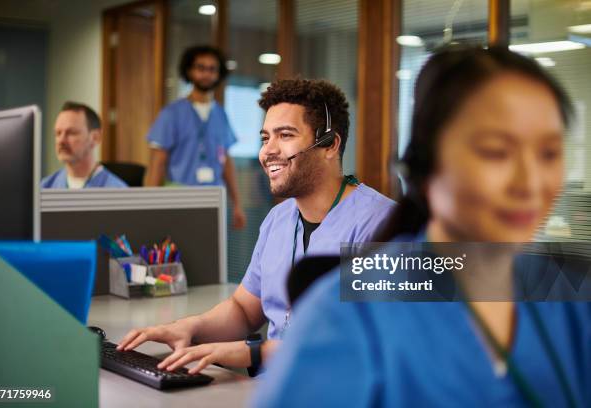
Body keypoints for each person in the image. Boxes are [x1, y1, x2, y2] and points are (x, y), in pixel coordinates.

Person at [252, 47, 590, 407]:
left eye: (549, 154)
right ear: (427, 164)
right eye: (496, 152)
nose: (530, 182)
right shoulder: (345, 319)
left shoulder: (573, 300)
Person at [117, 79, 396, 376]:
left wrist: (252, 352)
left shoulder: (387, 226)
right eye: (265, 138)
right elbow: (244, 308)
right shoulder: (278, 220)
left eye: (285, 135)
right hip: (274, 388)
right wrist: (188, 327)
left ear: (330, 144)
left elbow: (372, 343)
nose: (267, 152)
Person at [145, 45, 246, 229]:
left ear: (218, 74)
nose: (206, 74)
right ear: (190, 71)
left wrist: (237, 204)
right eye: (200, 68)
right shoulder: (172, 113)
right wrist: (147, 207)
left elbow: (226, 162)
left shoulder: (221, 115)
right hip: (179, 197)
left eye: (212, 69)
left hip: (214, 198)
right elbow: (157, 162)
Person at [41, 101, 127, 189]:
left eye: (71, 133)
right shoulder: (44, 187)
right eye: (58, 133)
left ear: (95, 138)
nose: (61, 140)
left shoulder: (117, 190)